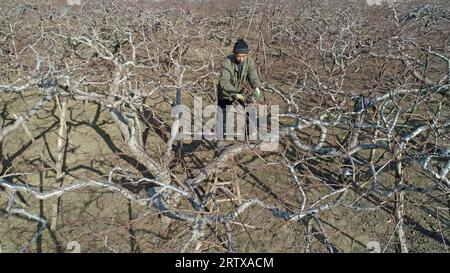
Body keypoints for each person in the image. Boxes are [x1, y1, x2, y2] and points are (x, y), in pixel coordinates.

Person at [216, 38, 263, 148]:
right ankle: (220, 140)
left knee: (250, 109)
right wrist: (234, 93)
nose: (241, 59)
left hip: (241, 91)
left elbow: (253, 77)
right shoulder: (227, 62)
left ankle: (251, 136)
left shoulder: (249, 61)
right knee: (223, 115)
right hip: (225, 93)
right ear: (234, 54)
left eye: (243, 56)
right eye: (238, 56)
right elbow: (224, 82)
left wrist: (256, 87)